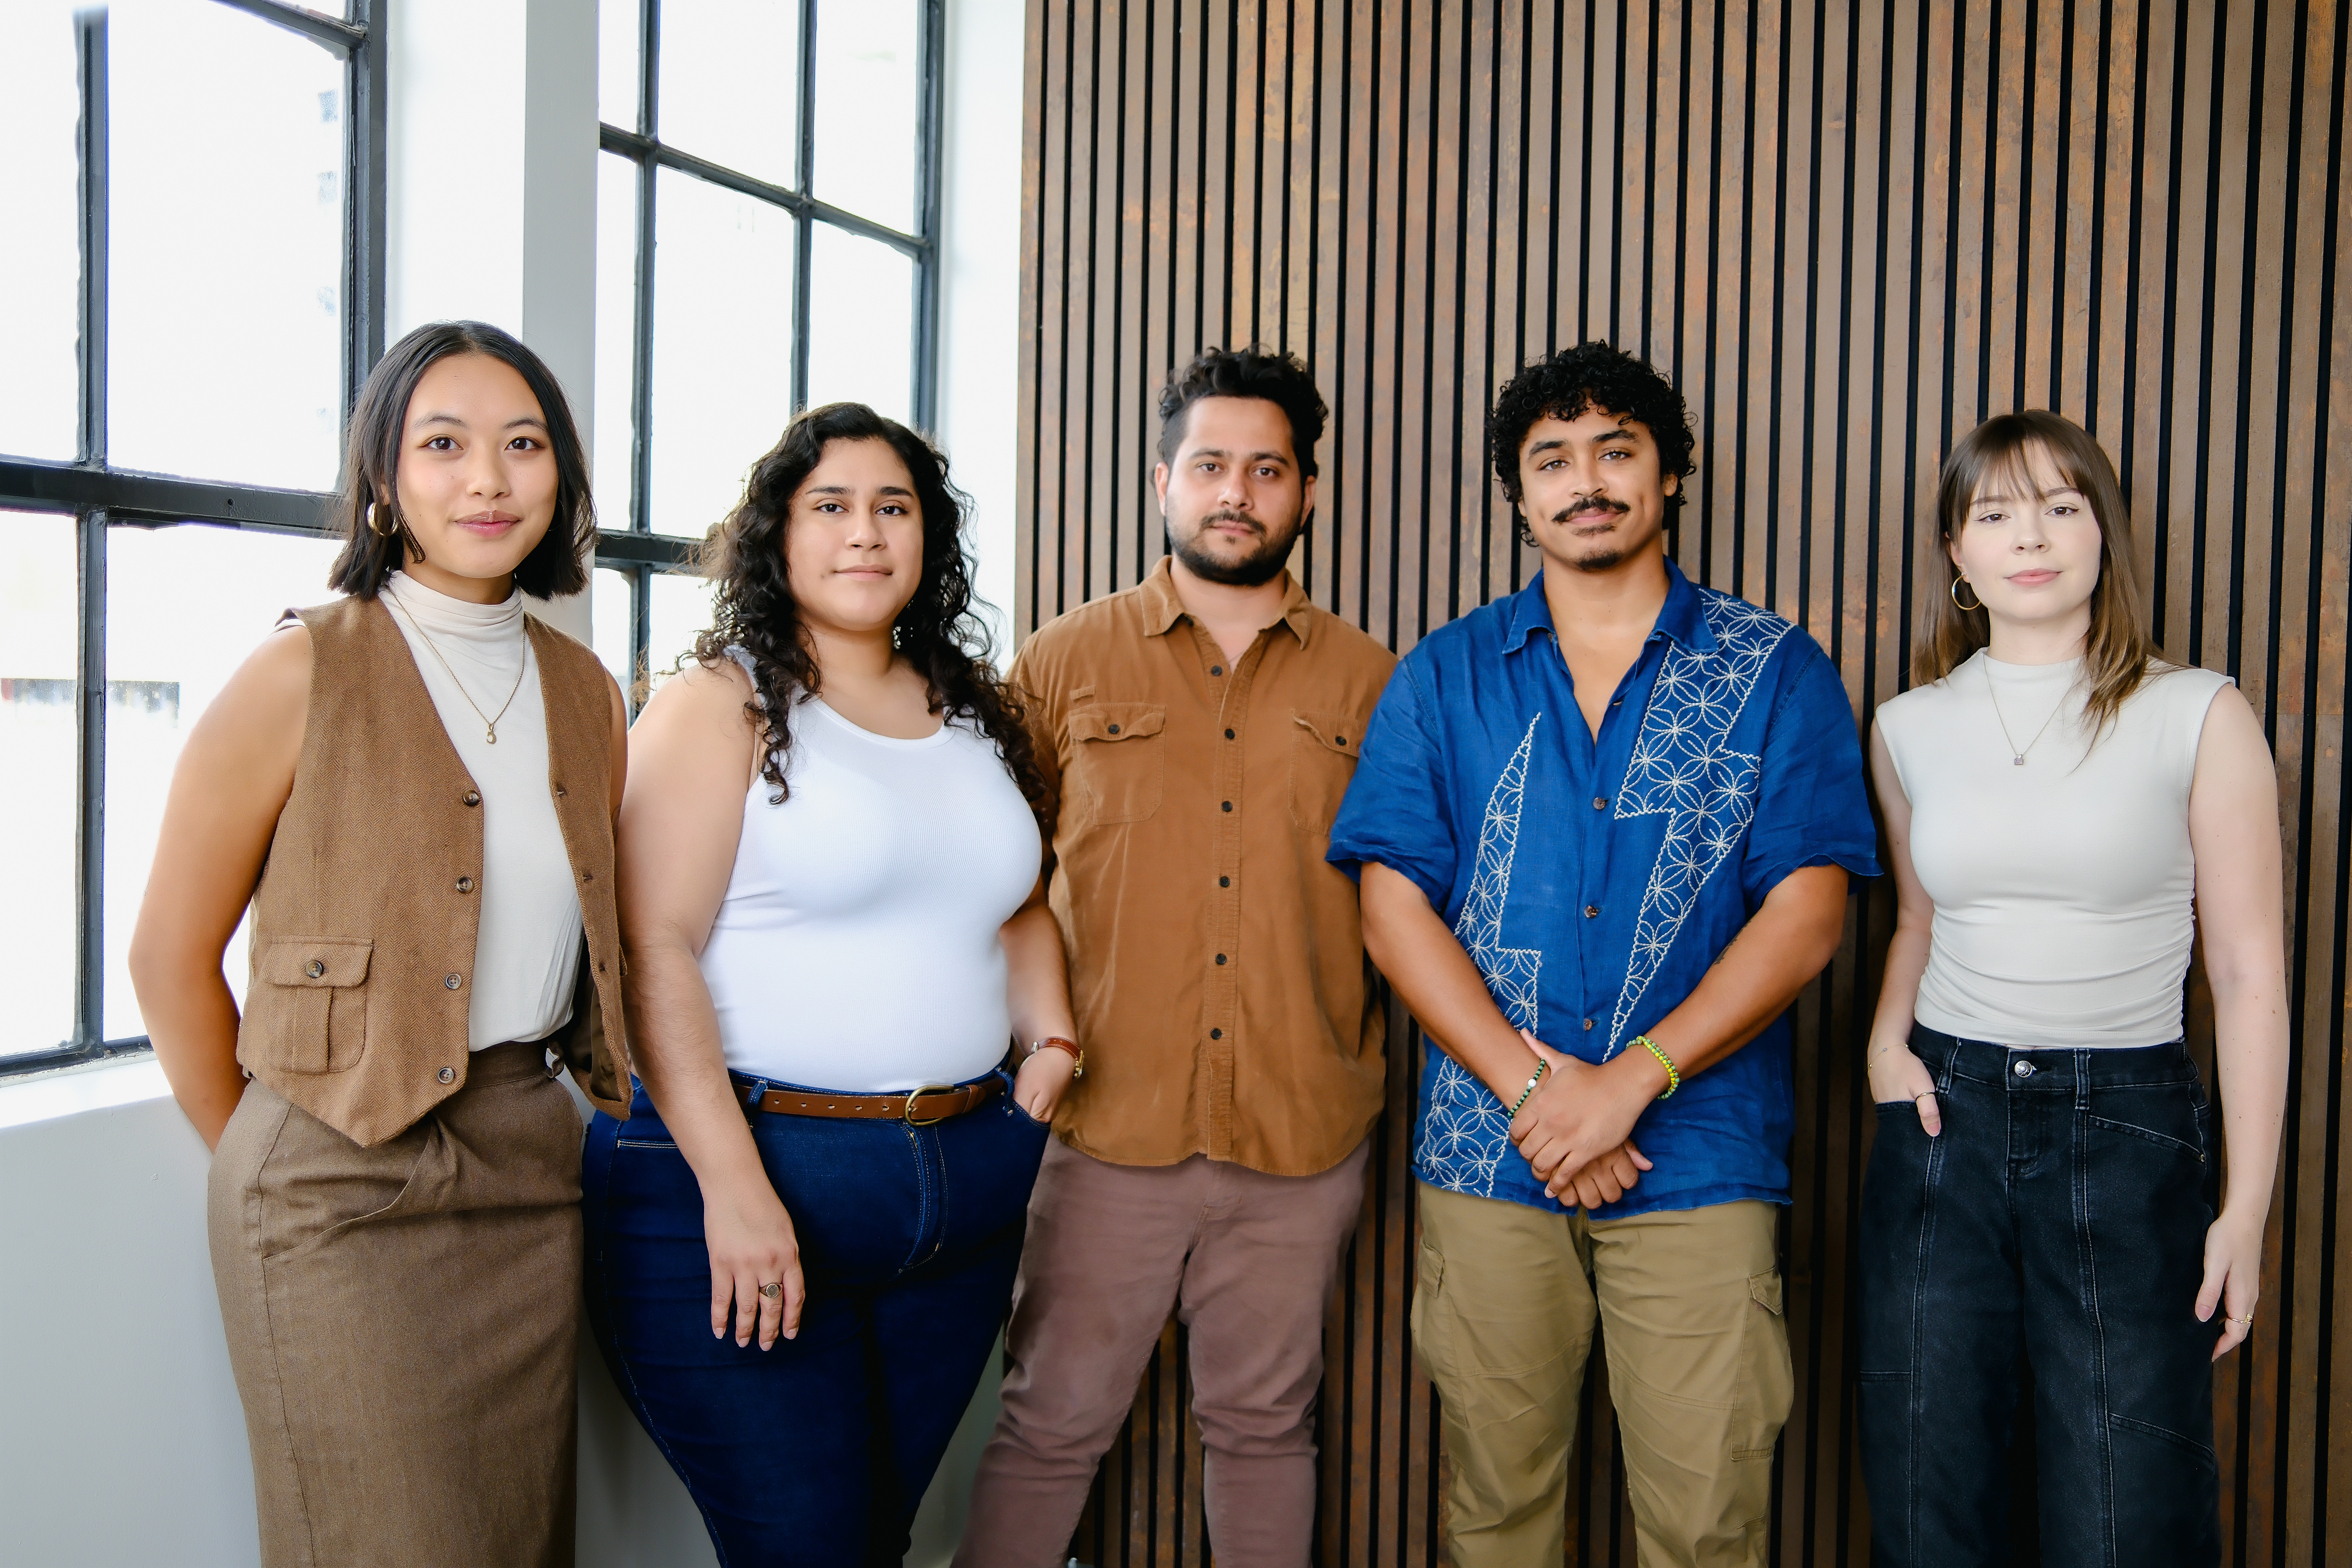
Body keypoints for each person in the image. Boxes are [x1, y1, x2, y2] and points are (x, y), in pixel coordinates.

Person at [1332, 340, 1879, 1566]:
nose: (1587, 481)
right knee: (1496, 1512)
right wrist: (1539, 1092)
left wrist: (1626, 1082)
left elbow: (1808, 912)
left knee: (1705, 1523)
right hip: (1488, 1158)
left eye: (1616, 451)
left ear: (1670, 474)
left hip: (1697, 1160)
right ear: (1518, 496)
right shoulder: (1447, 673)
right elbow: (1391, 906)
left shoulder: (1772, 670)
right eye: (1553, 461)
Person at [128, 321, 629, 1568]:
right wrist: (280, 1143)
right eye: (443, 444)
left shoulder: (587, 689)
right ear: (382, 477)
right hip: (335, 1185)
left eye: (523, 445)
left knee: (518, 1542)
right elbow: (166, 954)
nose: (487, 480)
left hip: (533, 1165)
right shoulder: (300, 667)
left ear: (560, 474)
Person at [582, 402, 1068, 1562]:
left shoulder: (973, 710)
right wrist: (736, 1190)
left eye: (893, 508)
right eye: (831, 507)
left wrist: (1050, 1043)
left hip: (964, 1189)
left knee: (874, 1541)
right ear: (778, 537)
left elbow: (1017, 899)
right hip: (746, 1178)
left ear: (928, 539)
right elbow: (652, 950)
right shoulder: (721, 705)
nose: (866, 533)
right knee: (807, 1546)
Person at [955, 347, 1396, 1566]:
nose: (1236, 493)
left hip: (1301, 1128)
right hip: (1102, 1129)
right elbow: (993, 885)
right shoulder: (1058, 665)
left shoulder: (1374, 681)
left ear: (1309, 491)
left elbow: (1414, 896)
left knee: (1266, 1425)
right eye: (1210, 465)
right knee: (1049, 1422)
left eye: (1267, 469)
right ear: (1163, 482)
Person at [1856, 410, 2287, 1565]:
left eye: (2061, 505)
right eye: (1994, 513)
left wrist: (2244, 1210)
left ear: (2104, 530)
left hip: (2128, 1127)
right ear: (1957, 552)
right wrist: (1884, 1048)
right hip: (1942, 1121)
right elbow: (1919, 916)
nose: (2029, 536)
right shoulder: (1908, 728)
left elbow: (2247, 975)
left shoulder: (2198, 711)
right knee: (1928, 1490)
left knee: (2125, 1508)